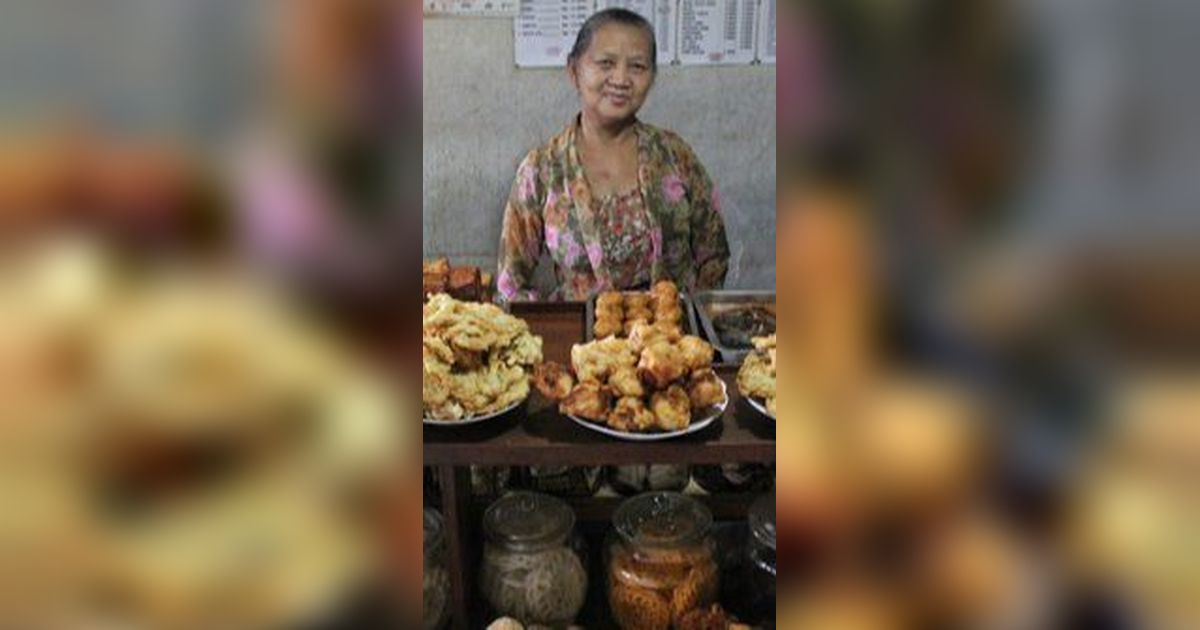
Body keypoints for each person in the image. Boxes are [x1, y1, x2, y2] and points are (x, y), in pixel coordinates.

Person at [497, 8, 730, 301]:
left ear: (652, 77)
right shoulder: (541, 170)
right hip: (581, 342)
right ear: (574, 71)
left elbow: (714, 254)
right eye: (606, 63)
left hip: (668, 341)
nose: (621, 79)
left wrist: (689, 321)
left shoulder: (675, 156)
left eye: (637, 66)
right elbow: (510, 284)